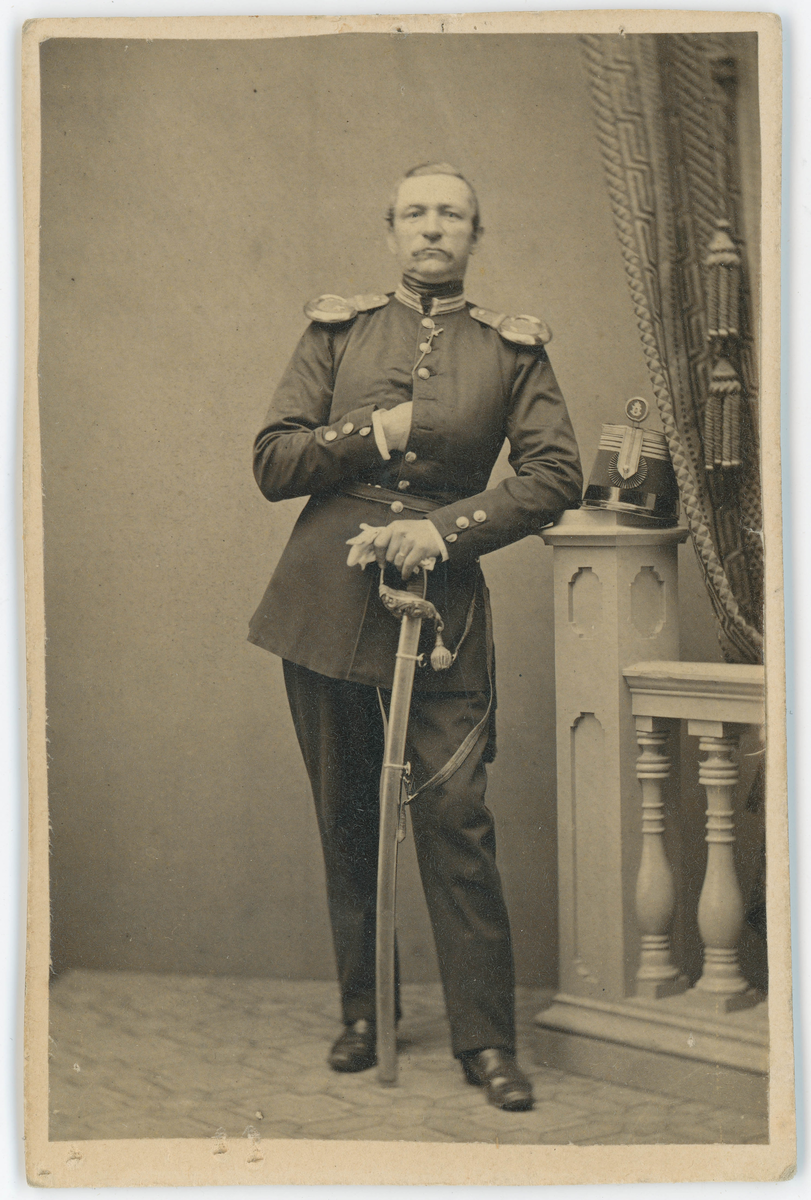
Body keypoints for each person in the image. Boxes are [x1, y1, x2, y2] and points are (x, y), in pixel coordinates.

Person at [249, 163, 582, 1111]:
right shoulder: (337, 333)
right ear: (391, 229)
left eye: (451, 215)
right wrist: (376, 431)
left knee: (455, 819)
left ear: (475, 233)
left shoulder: (511, 353)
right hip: (323, 605)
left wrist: (443, 531)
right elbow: (274, 461)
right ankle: (366, 1013)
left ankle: (486, 1040)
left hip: (443, 615)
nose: (432, 228)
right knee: (348, 817)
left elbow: (555, 475)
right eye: (415, 213)